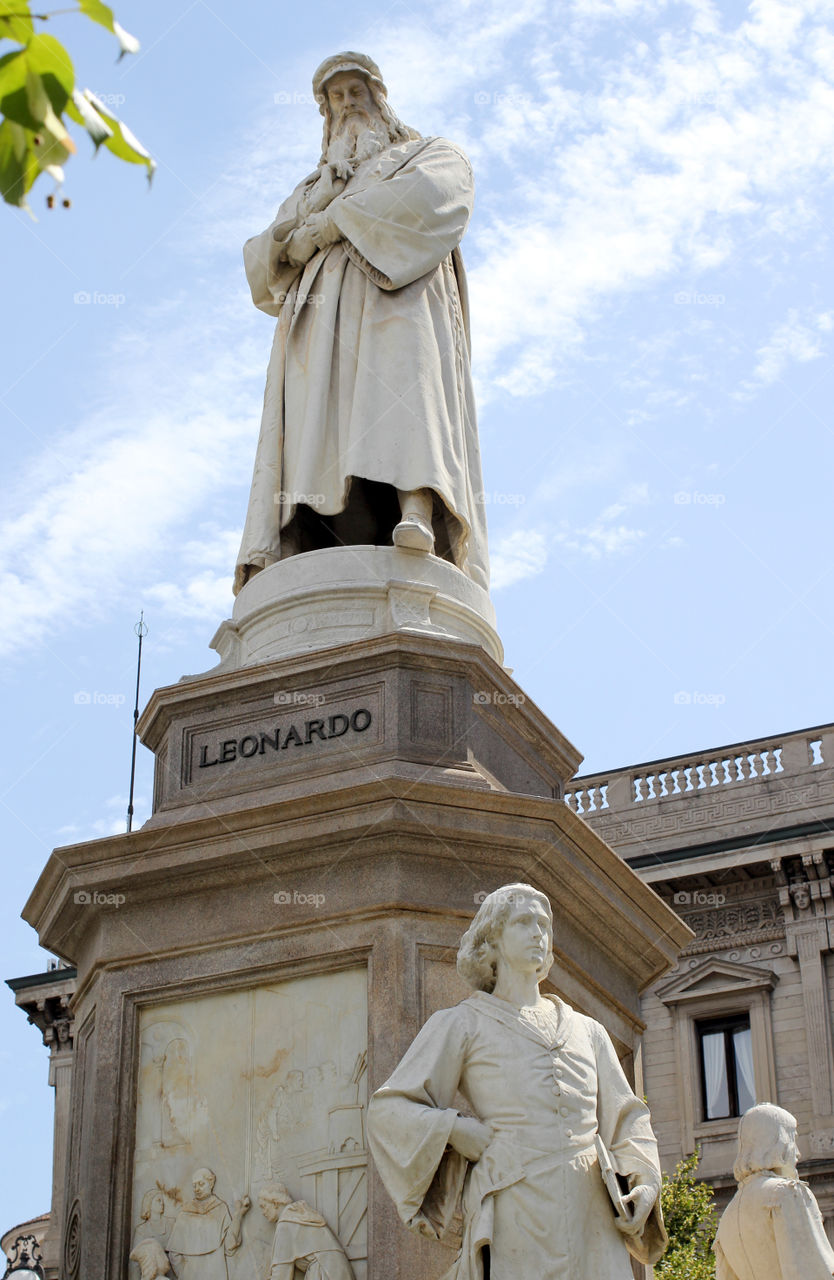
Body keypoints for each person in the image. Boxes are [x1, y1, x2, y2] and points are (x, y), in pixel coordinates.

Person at [235, 51, 489, 595]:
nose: (348, 104)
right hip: (317, 327)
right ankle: (307, 543)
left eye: (357, 92)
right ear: (325, 112)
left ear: (379, 98)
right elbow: (261, 264)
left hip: (398, 300)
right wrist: (304, 231)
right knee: (318, 435)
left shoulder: (429, 152)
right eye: (336, 97)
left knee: (403, 403)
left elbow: (437, 197)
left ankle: (417, 506)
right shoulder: (311, 188)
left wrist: (335, 222)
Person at [367, 883, 667, 1279]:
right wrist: (454, 1128)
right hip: (517, 1207)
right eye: (524, 922)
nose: (538, 933)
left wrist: (645, 1179)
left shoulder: (587, 1030)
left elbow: (627, 1117)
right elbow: (389, 1110)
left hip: (592, 1213)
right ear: (491, 940)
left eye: (544, 924)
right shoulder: (462, 1023)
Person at [714, 1103, 834, 1280]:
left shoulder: (728, 1215)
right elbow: (814, 1271)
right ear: (778, 1143)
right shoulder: (787, 1193)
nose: (798, 1153)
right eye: (793, 1139)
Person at [258, 1183, 355, 1280]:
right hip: (338, 1271)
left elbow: (281, 1274)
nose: (263, 1213)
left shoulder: (286, 1224)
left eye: (263, 1206)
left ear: (275, 1203)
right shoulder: (296, 1214)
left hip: (325, 1273)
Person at [166, 1168, 249, 1279]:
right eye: (194, 1185)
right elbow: (174, 1253)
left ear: (211, 1184)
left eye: (201, 1184)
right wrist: (184, 1274)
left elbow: (229, 1245)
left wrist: (239, 1215)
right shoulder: (185, 1213)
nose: (197, 1189)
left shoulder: (220, 1208)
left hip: (215, 1273)